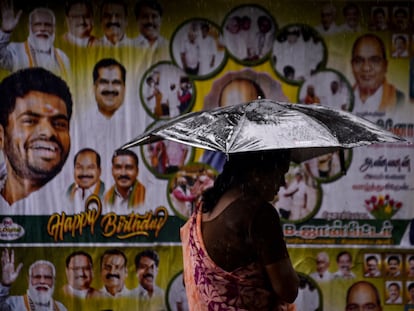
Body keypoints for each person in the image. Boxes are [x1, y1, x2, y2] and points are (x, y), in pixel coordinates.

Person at [180, 150, 299, 310]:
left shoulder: (202, 210)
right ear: (256, 172)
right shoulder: (259, 213)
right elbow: (288, 290)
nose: (283, 183)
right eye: (279, 173)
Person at [0, 67, 73, 208]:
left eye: (59, 123)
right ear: (1, 136)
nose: (48, 132)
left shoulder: (79, 200)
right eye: (30, 121)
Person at [0, 4, 70, 78]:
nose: (43, 28)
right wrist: (5, 31)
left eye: (47, 25)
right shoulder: (16, 50)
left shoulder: (62, 57)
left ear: (54, 28)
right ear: (29, 27)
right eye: (37, 24)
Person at [350, 33, 405, 114]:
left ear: (385, 65)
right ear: (352, 65)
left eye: (374, 60)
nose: (366, 68)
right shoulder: (344, 97)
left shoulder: (400, 99)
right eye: (359, 60)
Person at [0, 249, 67, 310]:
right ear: (29, 279)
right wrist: (5, 285)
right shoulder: (14, 303)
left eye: (47, 277)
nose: (42, 281)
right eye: (37, 277)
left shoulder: (60, 308)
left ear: (54, 281)